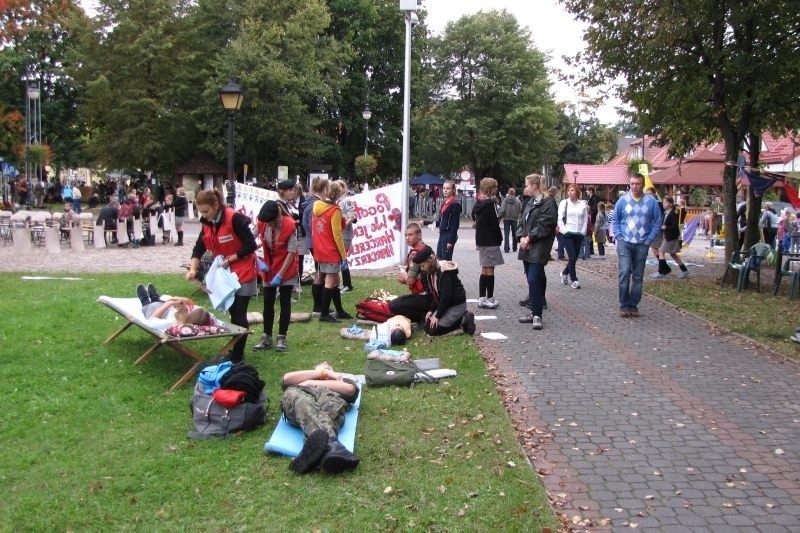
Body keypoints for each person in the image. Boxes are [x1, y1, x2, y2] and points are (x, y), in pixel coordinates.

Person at [186, 189, 257, 363]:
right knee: (232, 312)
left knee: (239, 313)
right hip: (224, 273)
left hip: (243, 270)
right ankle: (235, 350)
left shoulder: (234, 218)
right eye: (201, 212)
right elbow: (199, 247)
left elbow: (251, 245)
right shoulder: (207, 222)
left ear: (216, 205)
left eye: (206, 211)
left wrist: (232, 258)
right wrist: (193, 269)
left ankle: (238, 355)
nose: (204, 215)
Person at [280, 362, 360, 474]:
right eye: (321, 365)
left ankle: (321, 453)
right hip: (299, 399)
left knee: (330, 410)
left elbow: (350, 390)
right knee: (304, 403)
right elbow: (286, 379)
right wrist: (322, 373)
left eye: (329, 367)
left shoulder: (341, 381)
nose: (325, 364)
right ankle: (334, 446)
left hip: (329, 402)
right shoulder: (301, 381)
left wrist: (311, 382)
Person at [612, 173, 662, 317]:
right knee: (624, 272)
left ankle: (633, 305)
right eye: (632, 184)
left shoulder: (651, 202)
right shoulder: (622, 201)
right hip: (625, 242)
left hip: (642, 243)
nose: (634, 187)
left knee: (638, 276)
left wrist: (649, 240)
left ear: (643, 184)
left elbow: (657, 221)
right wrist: (619, 237)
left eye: (637, 184)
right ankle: (623, 304)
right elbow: (615, 220)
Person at [252, 201, 298, 353]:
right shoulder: (263, 222)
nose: (268, 226)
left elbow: (292, 252)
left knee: (285, 302)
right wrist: (257, 261)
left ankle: (282, 337)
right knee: (268, 303)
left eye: (270, 223)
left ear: (277, 217)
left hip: (286, 267)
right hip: (268, 267)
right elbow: (249, 240)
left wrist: (280, 274)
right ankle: (266, 337)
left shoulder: (290, 225)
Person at [516, 174, 557, 330]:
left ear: (534, 186)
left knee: (533, 278)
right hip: (527, 246)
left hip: (539, 246)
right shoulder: (530, 202)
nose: (525, 187)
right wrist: (520, 237)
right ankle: (534, 311)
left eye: (527, 185)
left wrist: (529, 238)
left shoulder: (548, 202)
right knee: (532, 278)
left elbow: (545, 224)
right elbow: (521, 221)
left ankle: (538, 314)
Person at [312, 180, 353, 323]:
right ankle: (324, 314)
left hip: (320, 248)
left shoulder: (317, 206)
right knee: (330, 281)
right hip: (330, 250)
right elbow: (337, 233)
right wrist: (343, 255)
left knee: (335, 281)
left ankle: (339, 311)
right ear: (337, 194)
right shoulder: (334, 210)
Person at [412, 245, 475, 336]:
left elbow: (446, 296)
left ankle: (464, 319)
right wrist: (432, 310)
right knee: (427, 327)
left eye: (422, 266)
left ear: (430, 260)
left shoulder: (445, 271)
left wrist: (437, 316)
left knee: (433, 331)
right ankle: (458, 320)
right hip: (446, 305)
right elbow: (436, 294)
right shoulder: (431, 272)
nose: (422, 269)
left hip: (455, 305)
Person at [390, 222, 433, 323]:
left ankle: (423, 318)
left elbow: (411, 281)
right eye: (406, 235)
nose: (407, 238)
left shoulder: (415, 254)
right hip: (432, 296)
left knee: (393, 306)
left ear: (419, 235)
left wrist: (404, 278)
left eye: (410, 235)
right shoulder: (427, 249)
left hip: (425, 297)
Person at [472, 177, 503, 309]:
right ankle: (489, 298)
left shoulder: (479, 202)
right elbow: (494, 224)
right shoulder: (489, 205)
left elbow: (474, 215)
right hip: (490, 240)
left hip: (481, 239)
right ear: (490, 189)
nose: (497, 189)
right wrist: (500, 237)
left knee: (484, 268)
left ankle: (481, 297)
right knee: (490, 269)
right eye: (495, 187)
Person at [135, 283, 214, 330]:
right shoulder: (205, 317)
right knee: (161, 301)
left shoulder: (171, 324)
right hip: (172, 309)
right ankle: (155, 297)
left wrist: (169, 303)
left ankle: (145, 299)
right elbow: (191, 303)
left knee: (152, 305)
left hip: (159, 312)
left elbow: (152, 319)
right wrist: (182, 300)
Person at [557, 184, 588, 289]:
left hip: (578, 234)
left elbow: (585, 219)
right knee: (573, 256)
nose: (570, 192)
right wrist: (564, 230)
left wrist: (583, 231)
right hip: (568, 233)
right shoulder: (564, 203)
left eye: (572, 190)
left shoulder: (582, 204)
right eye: (569, 190)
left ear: (577, 192)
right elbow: (560, 218)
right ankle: (574, 279)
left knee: (574, 258)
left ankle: (564, 272)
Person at [651, 196, 689, 279]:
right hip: (666, 236)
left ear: (671, 204)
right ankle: (684, 270)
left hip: (671, 236)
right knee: (673, 254)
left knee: (661, 251)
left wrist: (666, 227)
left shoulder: (673, 213)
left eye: (666, 202)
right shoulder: (666, 212)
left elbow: (675, 226)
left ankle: (661, 272)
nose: (664, 204)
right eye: (663, 202)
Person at [336, 181, 357, 293]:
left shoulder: (346, 200)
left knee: (342, 258)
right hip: (340, 233)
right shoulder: (338, 200)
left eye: (339, 187)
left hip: (345, 233)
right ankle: (344, 283)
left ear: (344, 188)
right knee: (340, 258)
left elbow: (351, 217)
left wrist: (341, 226)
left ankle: (347, 285)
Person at [436, 180, 461, 261]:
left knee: (446, 261)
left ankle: (451, 274)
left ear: (453, 190)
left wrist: (450, 241)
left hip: (448, 235)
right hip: (442, 234)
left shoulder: (455, 205)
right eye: (444, 188)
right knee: (439, 259)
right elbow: (440, 221)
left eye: (448, 188)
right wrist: (425, 222)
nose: (445, 190)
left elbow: (455, 224)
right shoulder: (444, 203)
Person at [646, 187, 667, 276]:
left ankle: (663, 269)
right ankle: (663, 267)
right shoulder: (651, 203)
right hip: (654, 228)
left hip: (657, 228)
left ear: (654, 194)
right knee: (655, 248)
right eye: (647, 194)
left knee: (656, 248)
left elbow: (660, 217)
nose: (648, 196)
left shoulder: (657, 204)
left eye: (650, 194)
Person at [498, 187, 522, 253]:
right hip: (515, 219)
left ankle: (506, 248)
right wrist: (519, 218)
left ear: (508, 193)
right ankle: (514, 247)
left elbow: (502, 210)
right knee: (515, 234)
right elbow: (521, 210)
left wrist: (498, 218)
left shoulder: (505, 201)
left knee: (506, 234)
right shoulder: (518, 201)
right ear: (514, 193)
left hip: (506, 219)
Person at [585, 186, 599, 255]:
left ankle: (591, 249)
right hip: (591, 218)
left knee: (590, 233)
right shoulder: (591, 198)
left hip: (592, 218)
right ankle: (590, 249)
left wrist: (589, 214)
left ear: (591, 190)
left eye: (587, 190)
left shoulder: (594, 198)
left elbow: (594, 209)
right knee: (590, 233)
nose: (586, 191)